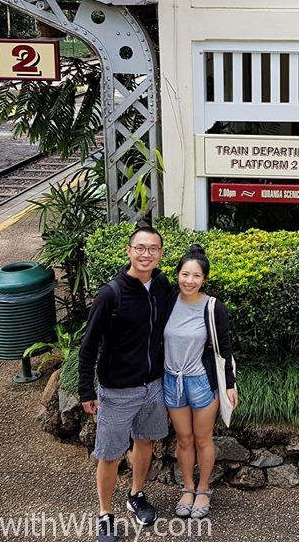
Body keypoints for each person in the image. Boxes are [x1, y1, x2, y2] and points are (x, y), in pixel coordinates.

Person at [78, 226, 172, 542]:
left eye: (153, 249)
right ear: (129, 251)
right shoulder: (111, 294)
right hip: (118, 390)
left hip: (153, 385)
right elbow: (88, 345)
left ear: (160, 253)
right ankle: (105, 514)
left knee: (145, 442)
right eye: (140, 248)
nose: (146, 254)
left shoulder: (161, 285)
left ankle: (136, 494)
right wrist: (86, 390)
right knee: (110, 454)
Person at [163, 243, 238, 520]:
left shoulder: (213, 307)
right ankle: (188, 488)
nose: (189, 281)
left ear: (204, 279)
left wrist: (229, 384)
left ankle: (204, 489)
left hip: (202, 382)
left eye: (195, 276)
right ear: (177, 275)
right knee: (183, 439)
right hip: (172, 381)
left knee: (203, 438)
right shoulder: (168, 300)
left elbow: (224, 348)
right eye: (184, 274)